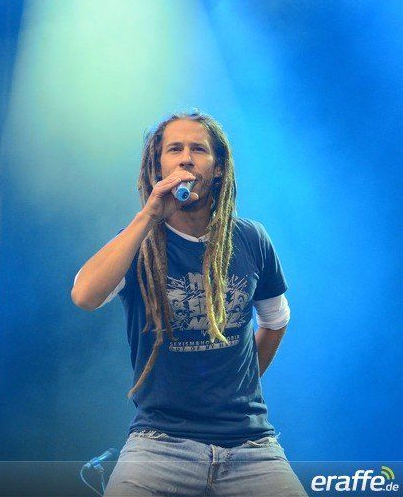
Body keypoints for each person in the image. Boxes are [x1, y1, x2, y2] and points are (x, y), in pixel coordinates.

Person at [72, 110, 308, 497]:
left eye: (198, 149)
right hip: (158, 445)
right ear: (158, 167)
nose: (185, 158)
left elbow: (276, 320)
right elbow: (84, 295)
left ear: (218, 168)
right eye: (174, 149)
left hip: (250, 447)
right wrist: (148, 216)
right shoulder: (137, 243)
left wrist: (239, 385)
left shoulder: (251, 239)